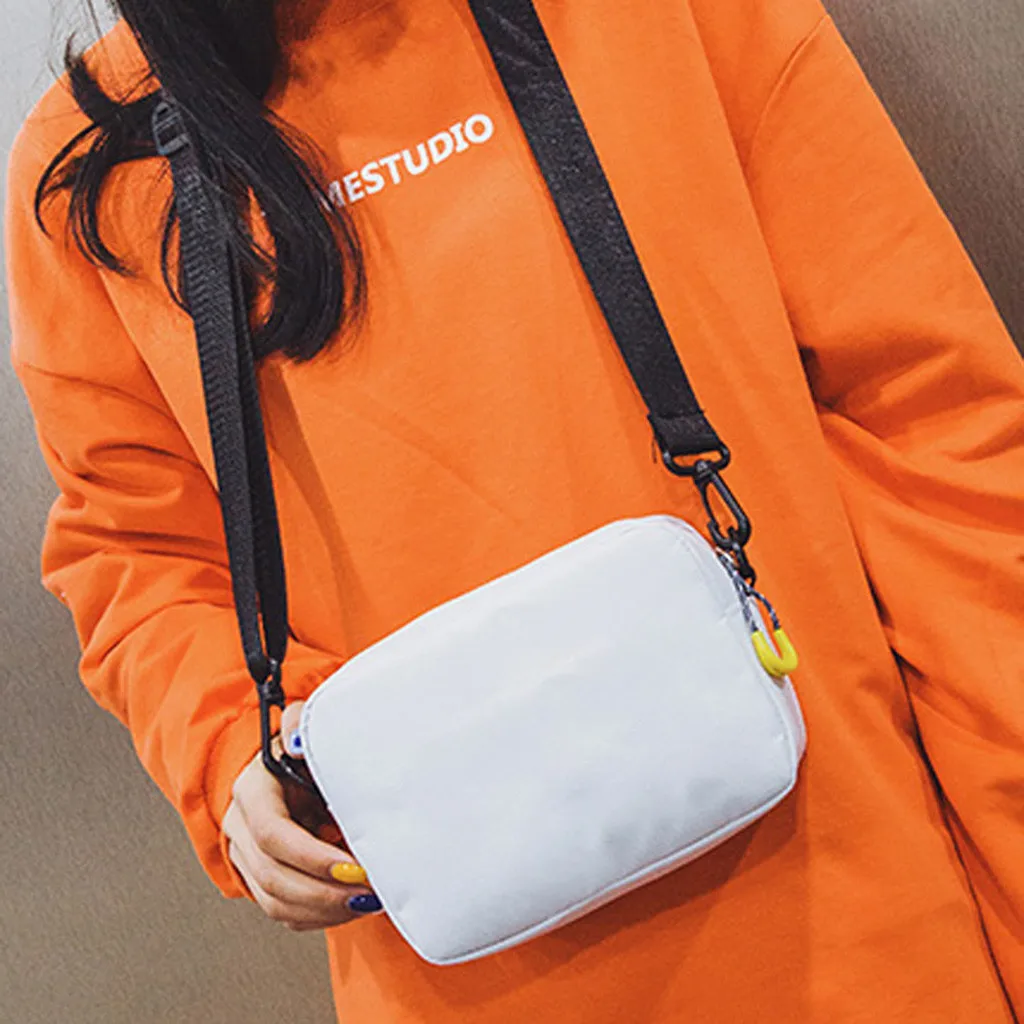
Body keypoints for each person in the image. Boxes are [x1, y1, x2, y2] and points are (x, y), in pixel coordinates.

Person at [6, 0, 1023, 1020]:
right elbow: (136, 551)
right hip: (464, 970)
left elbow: (937, 432)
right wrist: (232, 744)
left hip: (852, 916)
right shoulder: (90, 161)